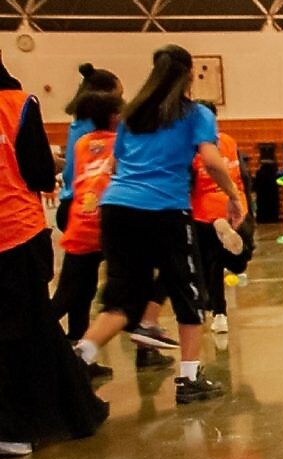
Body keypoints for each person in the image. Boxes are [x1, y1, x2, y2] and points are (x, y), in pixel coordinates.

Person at [73, 44, 244, 405]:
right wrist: (233, 195)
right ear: (188, 74)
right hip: (165, 209)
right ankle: (189, 378)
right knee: (188, 290)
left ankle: (81, 356)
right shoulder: (195, 113)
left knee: (122, 297)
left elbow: (118, 167)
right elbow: (211, 160)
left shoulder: (132, 114)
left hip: (117, 208)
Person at [0, 53, 107, 455]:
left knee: (23, 330)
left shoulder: (20, 104)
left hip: (16, 234)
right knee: (31, 327)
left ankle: (19, 427)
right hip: (17, 234)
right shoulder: (18, 104)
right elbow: (41, 174)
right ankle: (59, 414)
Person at [50, 90, 121, 347]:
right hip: (107, 225)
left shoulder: (82, 143)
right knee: (75, 296)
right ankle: (30, 343)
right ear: (115, 117)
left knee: (77, 292)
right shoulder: (121, 143)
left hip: (81, 221)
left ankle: (78, 350)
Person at [190, 100, 249, 335]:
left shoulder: (193, 147)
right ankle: (216, 310)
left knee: (211, 265)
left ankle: (218, 313)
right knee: (233, 261)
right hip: (230, 205)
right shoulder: (227, 141)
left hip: (207, 210)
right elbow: (242, 175)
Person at [56, 63, 121, 233]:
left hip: (70, 204)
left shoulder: (77, 126)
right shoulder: (100, 135)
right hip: (88, 207)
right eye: (118, 97)